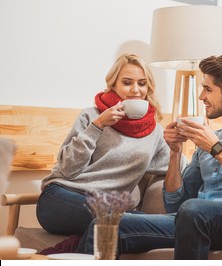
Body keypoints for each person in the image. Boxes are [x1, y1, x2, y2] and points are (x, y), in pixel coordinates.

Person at [76, 54, 222, 259]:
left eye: (208, 89)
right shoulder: (209, 138)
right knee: (105, 224)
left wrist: (216, 148)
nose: (201, 97)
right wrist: (174, 152)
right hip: (193, 220)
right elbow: (176, 204)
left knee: (194, 210)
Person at [36, 54, 173, 236]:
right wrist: (97, 126)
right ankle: (131, 220)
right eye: (127, 82)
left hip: (109, 208)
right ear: (113, 84)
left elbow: (175, 167)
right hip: (63, 197)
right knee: (126, 221)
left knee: (118, 223)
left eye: (142, 83)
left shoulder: (154, 132)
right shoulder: (91, 116)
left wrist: (184, 141)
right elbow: (67, 169)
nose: (135, 90)